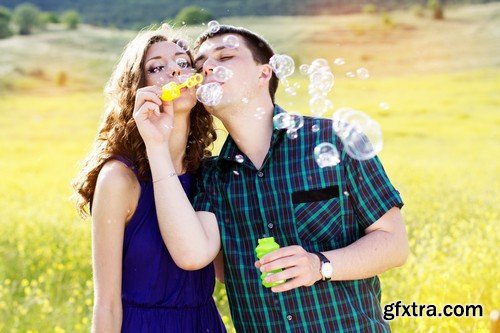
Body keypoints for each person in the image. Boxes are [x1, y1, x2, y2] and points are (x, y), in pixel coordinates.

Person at [137, 25, 408, 332]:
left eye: (226, 55)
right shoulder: (212, 176)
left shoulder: (338, 139)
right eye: (200, 66)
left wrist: (320, 265)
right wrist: (156, 146)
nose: (209, 67)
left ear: (264, 73)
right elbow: (192, 255)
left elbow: (393, 243)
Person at [72, 24, 225, 333]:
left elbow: (224, 272)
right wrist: (156, 140)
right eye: (157, 68)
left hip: (204, 324)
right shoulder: (119, 180)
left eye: (184, 63)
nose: (176, 73)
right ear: (137, 90)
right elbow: (107, 305)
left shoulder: (208, 175)